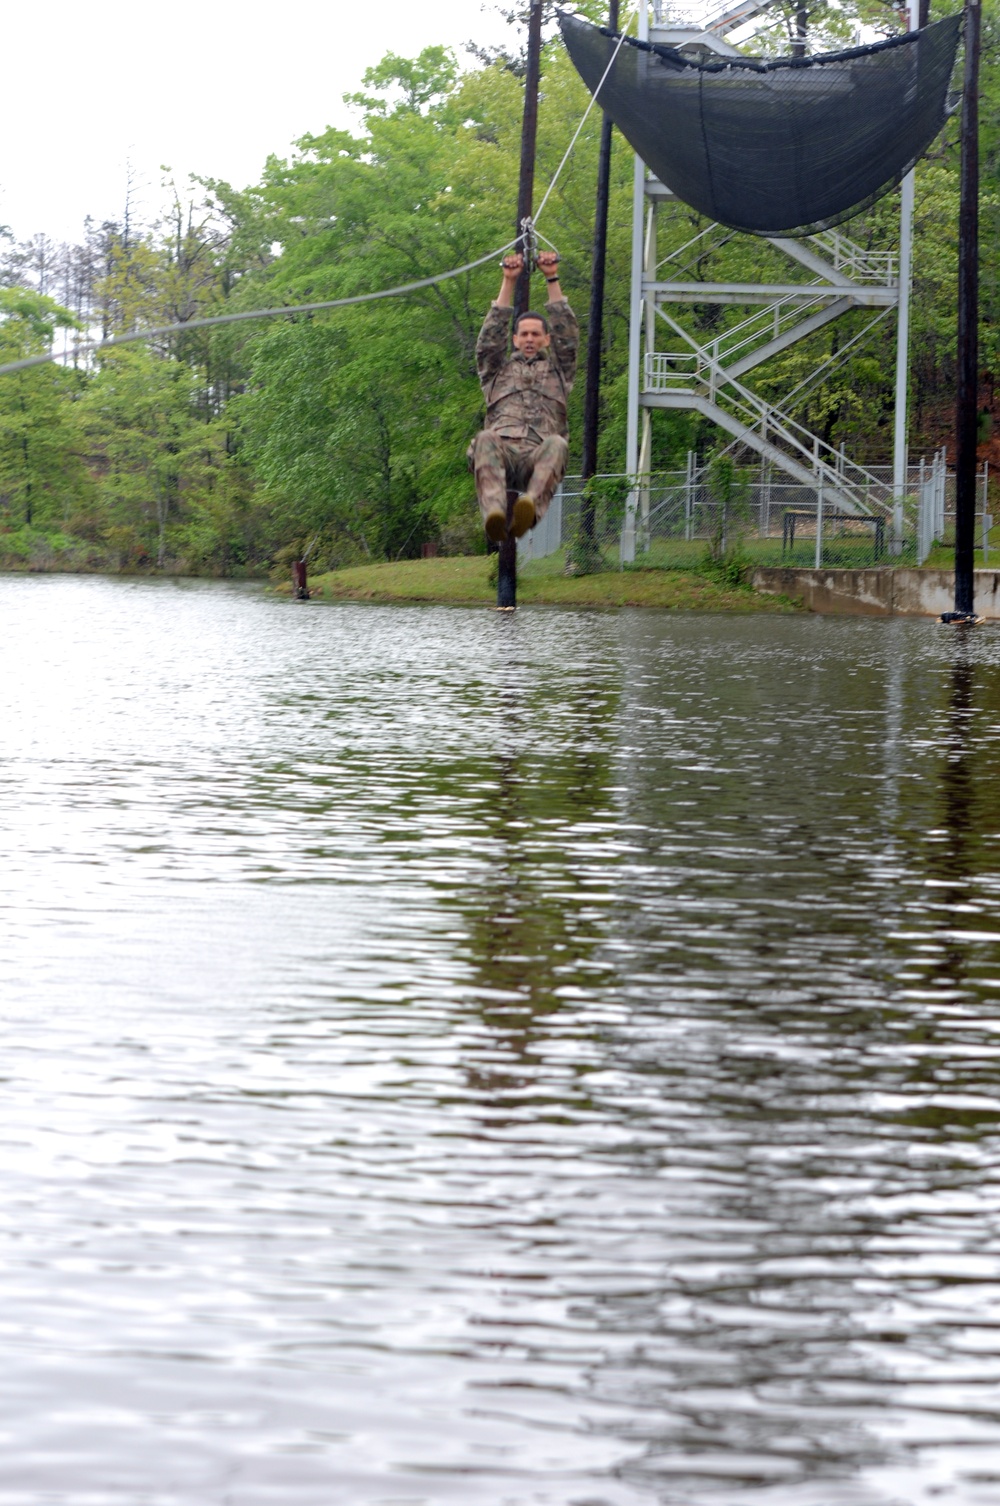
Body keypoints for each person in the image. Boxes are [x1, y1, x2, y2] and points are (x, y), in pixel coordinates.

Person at [469, 250, 578, 544]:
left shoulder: (559, 373)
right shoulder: (496, 373)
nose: (529, 339)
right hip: (501, 454)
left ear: (545, 339)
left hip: (537, 457)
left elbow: (568, 338)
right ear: (515, 340)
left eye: (535, 334)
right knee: (484, 438)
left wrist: (551, 276)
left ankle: (527, 509)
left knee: (558, 443)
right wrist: (508, 281)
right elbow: (489, 343)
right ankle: (495, 514)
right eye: (524, 334)